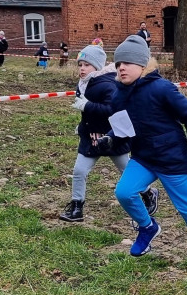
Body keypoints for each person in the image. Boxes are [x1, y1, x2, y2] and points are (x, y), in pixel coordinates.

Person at [100, 35, 187, 269]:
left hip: (172, 157)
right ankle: (147, 227)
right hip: (143, 157)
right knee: (124, 192)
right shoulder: (118, 94)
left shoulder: (161, 88)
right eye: (118, 64)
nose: (121, 68)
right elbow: (122, 124)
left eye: (127, 63)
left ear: (142, 65)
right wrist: (110, 137)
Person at [60, 44, 159, 222]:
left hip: (111, 138)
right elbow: (89, 114)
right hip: (90, 138)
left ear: (97, 66)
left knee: (126, 170)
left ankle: (148, 192)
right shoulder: (83, 84)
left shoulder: (107, 84)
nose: (82, 69)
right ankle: (76, 207)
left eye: (86, 65)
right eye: (80, 64)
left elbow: (112, 109)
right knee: (79, 171)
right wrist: (83, 126)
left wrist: (87, 106)